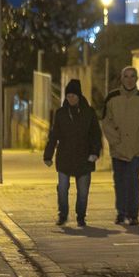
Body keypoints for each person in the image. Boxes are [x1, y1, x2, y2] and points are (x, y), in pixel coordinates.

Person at [44, 79, 102, 227]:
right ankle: (62, 214)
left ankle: (81, 216)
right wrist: (48, 155)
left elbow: (96, 134)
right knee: (62, 188)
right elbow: (54, 135)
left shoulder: (89, 113)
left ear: (79, 96)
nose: (71, 99)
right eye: (68, 96)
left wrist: (95, 152)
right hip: (65, 157)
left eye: (73, 96)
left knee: (83, 192)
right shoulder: (61, 113)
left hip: (84, 158)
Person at [101, 66, 139, 226]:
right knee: (119, 181)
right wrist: (115, 141)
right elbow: (106, 121)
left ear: (137, 79)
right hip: (117, 149)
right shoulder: (112, 98)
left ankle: (133, 214)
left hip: (136, 149)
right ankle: (121, 212)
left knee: (133, 180)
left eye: (133, 76)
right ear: (121, 78)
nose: (129, 79)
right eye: (126, 76)